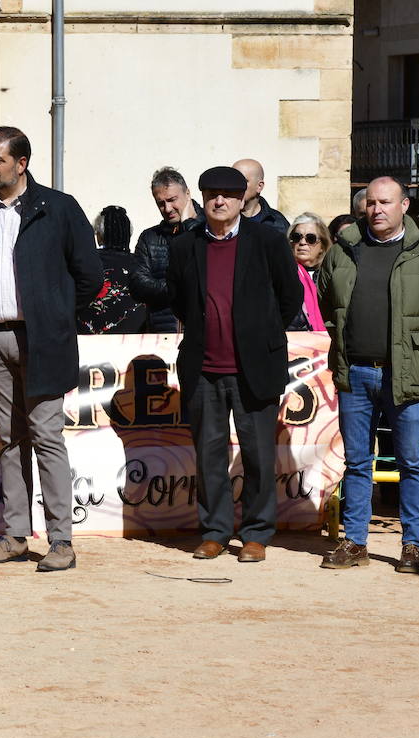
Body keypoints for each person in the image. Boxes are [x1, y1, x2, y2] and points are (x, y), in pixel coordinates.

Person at [0, 126, 103, 572]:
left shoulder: (57, 208)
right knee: (9, 439)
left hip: (43, 340)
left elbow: (90, 276)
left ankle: (61, 541)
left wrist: (56, 315)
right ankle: (15, 536)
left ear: (21, 164)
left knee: (46, 437)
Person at [319, 176, 419, 573]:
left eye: (385, 202)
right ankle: (355, 543)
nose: (377, 209)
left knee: (412, 462)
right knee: (357, 462)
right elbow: (327, 303)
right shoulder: (343, 251)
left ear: (404, 206)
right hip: (357, 373)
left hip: (409, 375)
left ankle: (413, 545)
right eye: (371, 203)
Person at [166, 166, 302, 562]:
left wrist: (259, 335)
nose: (220, 201)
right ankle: (215, 531)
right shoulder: (184, 246)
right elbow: (179, 300)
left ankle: (257, 533)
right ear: (202, 197)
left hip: (254, 367)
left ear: (243, 199)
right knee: (208, 454)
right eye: (212, 194)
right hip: (203, 368)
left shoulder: (268, 241)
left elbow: (289, 296)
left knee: (259, 453)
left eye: (228, 194)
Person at [131, 166, 201, 333]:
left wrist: (189, 227)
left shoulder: (209, 229)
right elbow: (137, 285)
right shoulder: (150, 238)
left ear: (188, 194)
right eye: (161, 203)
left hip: (200, 334)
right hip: (161, 335)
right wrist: (176, 288)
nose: (167, 209)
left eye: (172, 200)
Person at [78, 206, 144, 334]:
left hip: (87, 341)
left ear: (99, 236)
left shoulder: (86, 262)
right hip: (134, 341)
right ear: (128, 234)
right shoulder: (140, 264)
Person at [286, 213, 329, 331]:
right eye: (296, 237)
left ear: (322, 246)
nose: (303, 242)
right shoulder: (282, 274)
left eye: (311, 238)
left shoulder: (330, 275)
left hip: (326, 343)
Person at [232, 158, 289, 235]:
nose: (236, 185)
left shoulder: (277, 223)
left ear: (259, 186)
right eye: (233, 181)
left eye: (243, 181)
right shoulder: (221, 218)